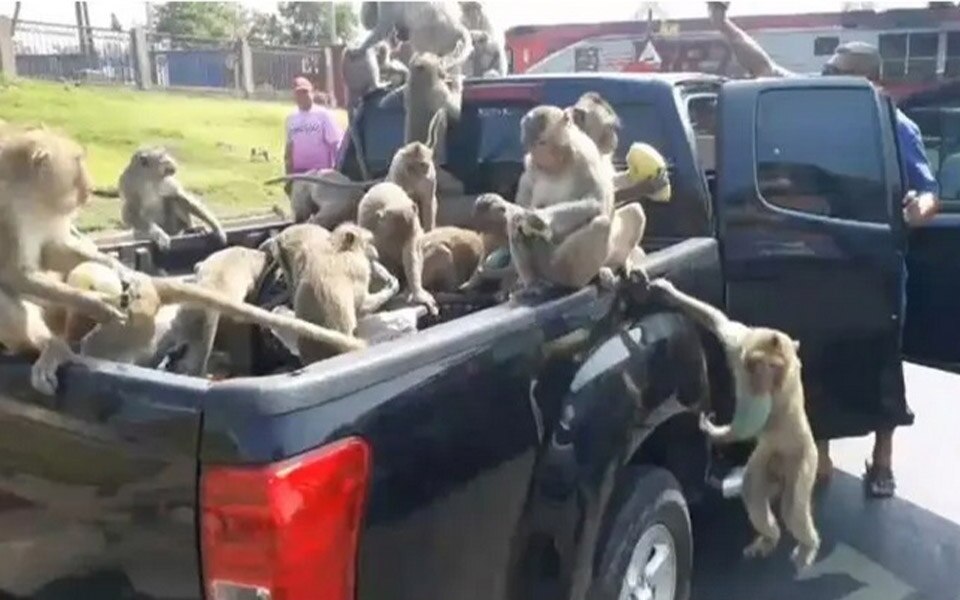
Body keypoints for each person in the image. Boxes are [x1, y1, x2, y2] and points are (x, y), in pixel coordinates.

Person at [707, 1, 941, 499]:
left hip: (876, 261)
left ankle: (882, 460)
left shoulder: (897, 128)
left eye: (836, 73)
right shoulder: (822, 110)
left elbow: (927, 191)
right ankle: (824, 455)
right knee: (825, 353)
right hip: (824, 257)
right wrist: (720, 22)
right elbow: (762, 68)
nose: (825, 77)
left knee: (881, 359)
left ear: (868, 83)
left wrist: (914, 210)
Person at [284, 76, 344, 194]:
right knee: (300, 208)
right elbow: (289, 148)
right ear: (294, 96)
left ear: (312, 93)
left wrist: (337, 170)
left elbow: (335, 144)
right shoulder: (291, 119)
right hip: (299, 173)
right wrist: (288, 174)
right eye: (299, 93)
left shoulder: (323, 115)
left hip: (320, 173)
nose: (302, 96)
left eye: (305, 92)